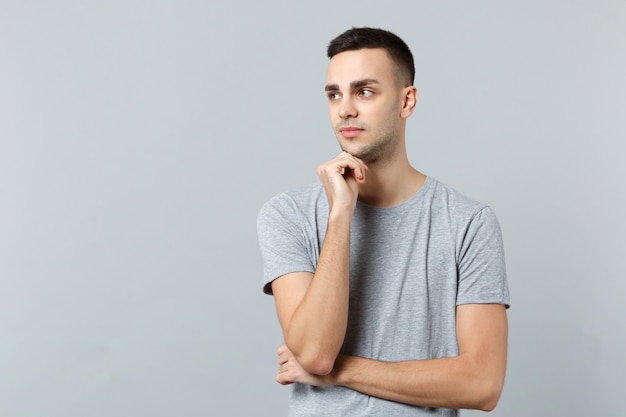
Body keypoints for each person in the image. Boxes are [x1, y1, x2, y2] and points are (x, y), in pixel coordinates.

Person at [257, 27, 510, 416]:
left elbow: (482, 384)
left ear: (406, 101)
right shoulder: (287, 214)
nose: (345, 109)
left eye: (364, 91)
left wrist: (344, 371)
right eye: (334, 94)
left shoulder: (468, 223)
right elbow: (315, 354)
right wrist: (340, 215)